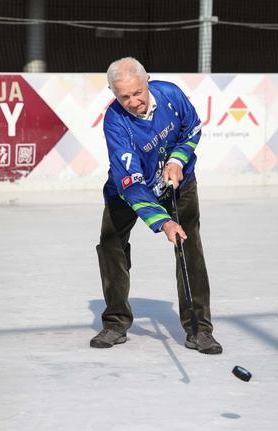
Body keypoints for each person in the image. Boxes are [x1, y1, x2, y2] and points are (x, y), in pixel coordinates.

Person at [90, 57, 222, 354]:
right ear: (113, 93)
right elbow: (132, 182)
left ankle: (199, 329)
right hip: (127, 191)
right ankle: (115, 322)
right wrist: (163, 221)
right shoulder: (115, 122)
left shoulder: (171, 94)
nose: (134, 101)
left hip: (179, 182)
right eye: (124, 96)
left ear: (147, 79)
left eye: (138, 92)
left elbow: (192, 129)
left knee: (189, 248)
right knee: (111, 244)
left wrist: (177, 161)